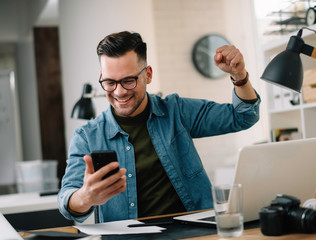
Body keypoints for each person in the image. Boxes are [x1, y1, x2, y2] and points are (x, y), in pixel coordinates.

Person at [58, 31, 260, 223]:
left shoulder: (176, 111)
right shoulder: (86, 136)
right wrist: (86, 197)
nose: (119, 92)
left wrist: (239, 75)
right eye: (109, 82)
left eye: (128, 81)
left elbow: (242, 116)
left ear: (148, 75)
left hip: (195, 233)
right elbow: (67, 203)